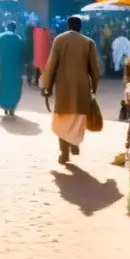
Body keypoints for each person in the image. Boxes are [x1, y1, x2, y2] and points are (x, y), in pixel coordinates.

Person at [41, 16, 101, 165]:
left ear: (68, 26)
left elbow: (51, 65)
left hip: (63, 89)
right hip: (82, 89)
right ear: (80, 27)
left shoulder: (59, 40)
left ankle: (64, 153)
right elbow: (95, 69)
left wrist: (47, 86)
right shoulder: (88, 42)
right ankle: (74, 143)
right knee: (77, 120)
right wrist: (94, 87)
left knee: (62, 121)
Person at [0, 21, 24, 116]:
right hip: (16, 67)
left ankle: (5, 107)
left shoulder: (0, 37)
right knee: (14, 87)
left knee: (4, 85)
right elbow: (23, 54)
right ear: (15, 28)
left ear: (6, 27)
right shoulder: (18, 38)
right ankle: (12, 107)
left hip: (4, 66)